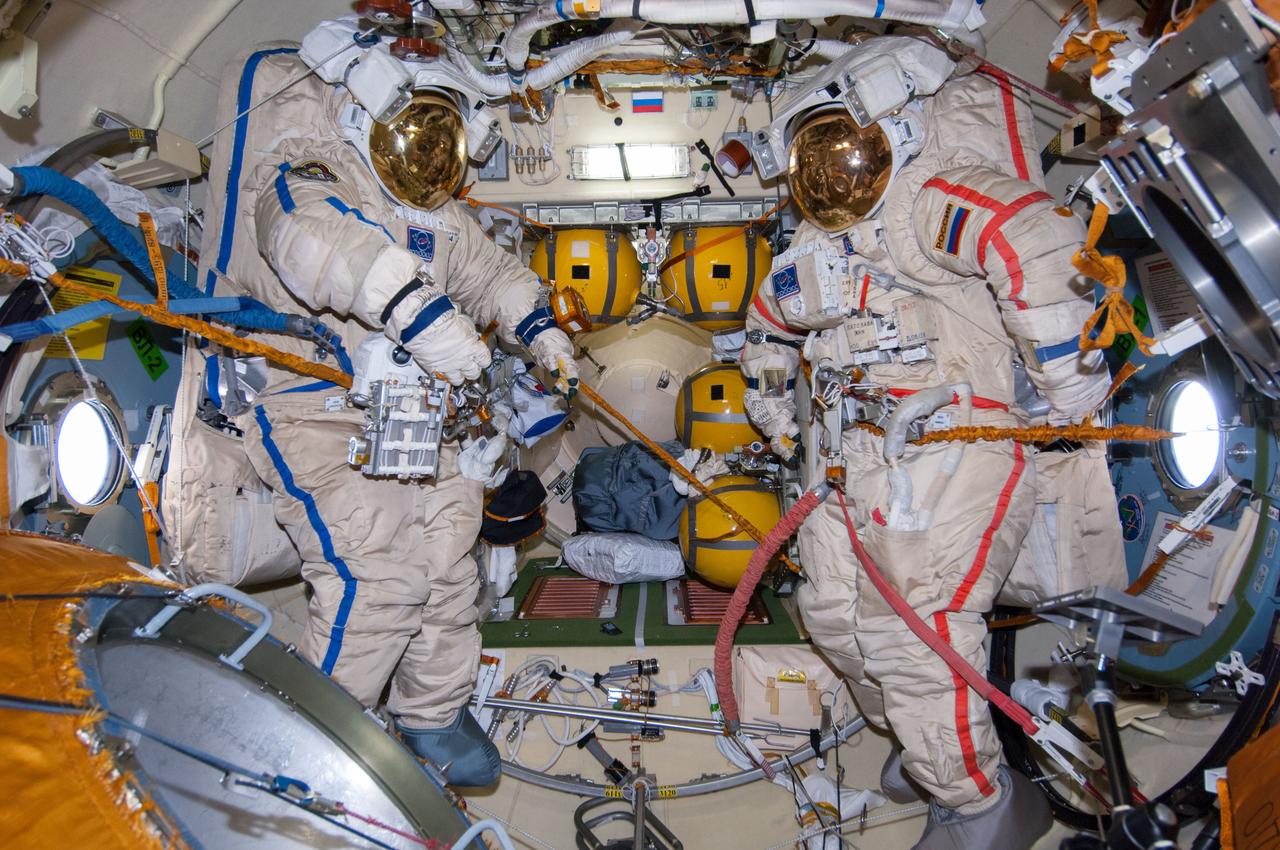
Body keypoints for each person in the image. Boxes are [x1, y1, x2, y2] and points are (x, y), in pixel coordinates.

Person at [740, 35, 1114, 850]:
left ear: (887, 133)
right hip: (856, 464)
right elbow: (766, 325)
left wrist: (1072, 395)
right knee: (831, 616)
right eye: (816, 159)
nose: (833, 174)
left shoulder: (929, 205)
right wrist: (771, 406)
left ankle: (978, 805)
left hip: (953, 443)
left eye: (842, 149)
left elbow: (1030, 241)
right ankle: (932, 747)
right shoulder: (814, 249)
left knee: (912, 633)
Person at [197, 38, 577, 787]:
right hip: (318, 409)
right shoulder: (306, 172)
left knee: (445, 559)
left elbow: (492, 273)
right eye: (417, 131)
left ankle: (431, 715)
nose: (429, 156)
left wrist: (540, 329)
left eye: (444, 139)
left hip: (417, 416)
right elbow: (312, 241)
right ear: (369, 112)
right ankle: (300, 758)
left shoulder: (431, 216)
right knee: (376, 581)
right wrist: (429, 321)